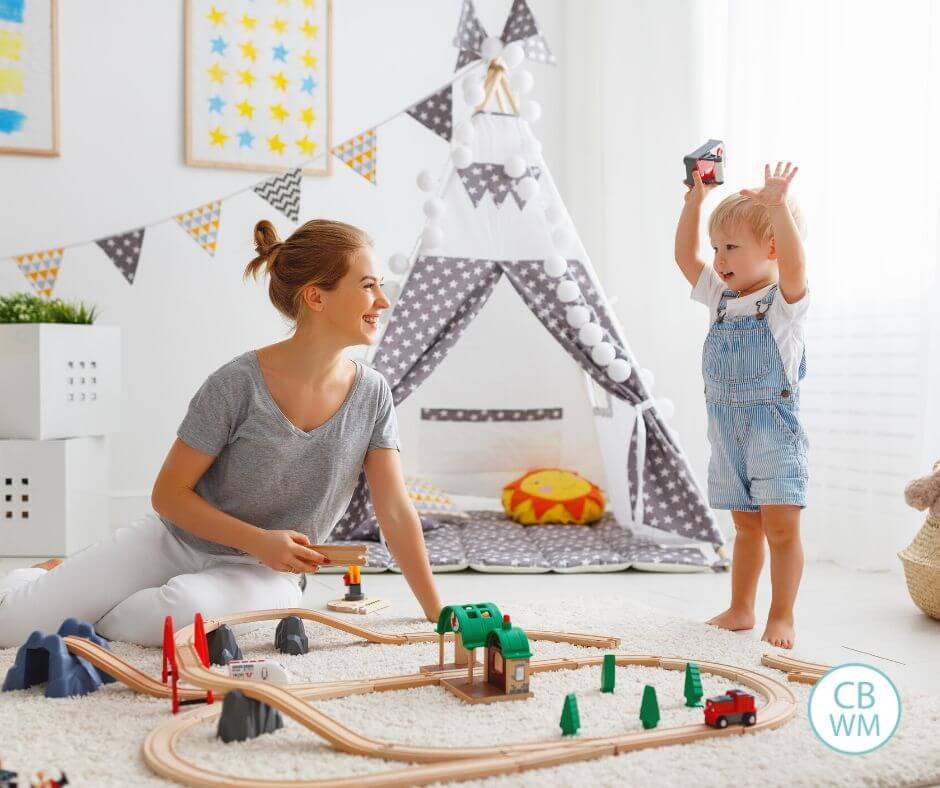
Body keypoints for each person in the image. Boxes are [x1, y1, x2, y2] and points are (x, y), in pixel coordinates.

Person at [0, 218, 443, 647]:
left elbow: (396, 511)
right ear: (316, 297)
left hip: (268, 573)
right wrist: (258, 539)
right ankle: (44, 580)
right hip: (175, 541)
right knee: (9, 626)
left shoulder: (373, 394)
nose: (383, 301)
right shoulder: (236, 383)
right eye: (368, 285)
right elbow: (168, 495)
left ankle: (82, 599)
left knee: (181, 612)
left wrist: (435, 611)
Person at [674, 163, 808, 649]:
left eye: (731, 247)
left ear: (770, 248)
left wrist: (776, 208)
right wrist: (694, 203)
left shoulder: (783, 303)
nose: (719, 258)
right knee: (744, 525)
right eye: (717, 247)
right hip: (727, 429)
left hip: (773, 431)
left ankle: (782, 615)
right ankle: (741, 608)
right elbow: (685, 256)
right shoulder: (721, 297)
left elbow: (795, 265)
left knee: (781, 527)